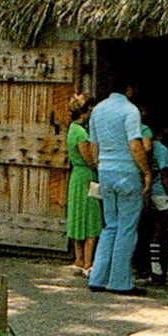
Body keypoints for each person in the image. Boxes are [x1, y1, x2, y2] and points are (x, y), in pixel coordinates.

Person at [86, 72, 151, 295]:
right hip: (127, 171)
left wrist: (99, 166)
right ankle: (120, 282)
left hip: (105, 170)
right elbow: (134, 144)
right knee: (127, 227)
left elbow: (93, 144)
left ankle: (97, 277)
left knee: (110, 225)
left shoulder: (98, 110)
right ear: (130, 89)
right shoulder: (130, 110)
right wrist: (146, 172)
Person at [64, 93, 102, 275]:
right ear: (85, 112)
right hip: (86, 176)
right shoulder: (81, 133)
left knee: (77, 215)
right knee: (91, 217)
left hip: (76, 176)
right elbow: (89, 160)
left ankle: (78, 259)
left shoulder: (72, 129)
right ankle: (88, 262)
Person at [133, 118, 168, 284]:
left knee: (155, 230)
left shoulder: (143, 149)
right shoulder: (162, 149)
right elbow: (164, 174)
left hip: (149, 192)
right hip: (161, 193)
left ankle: (155, 268)